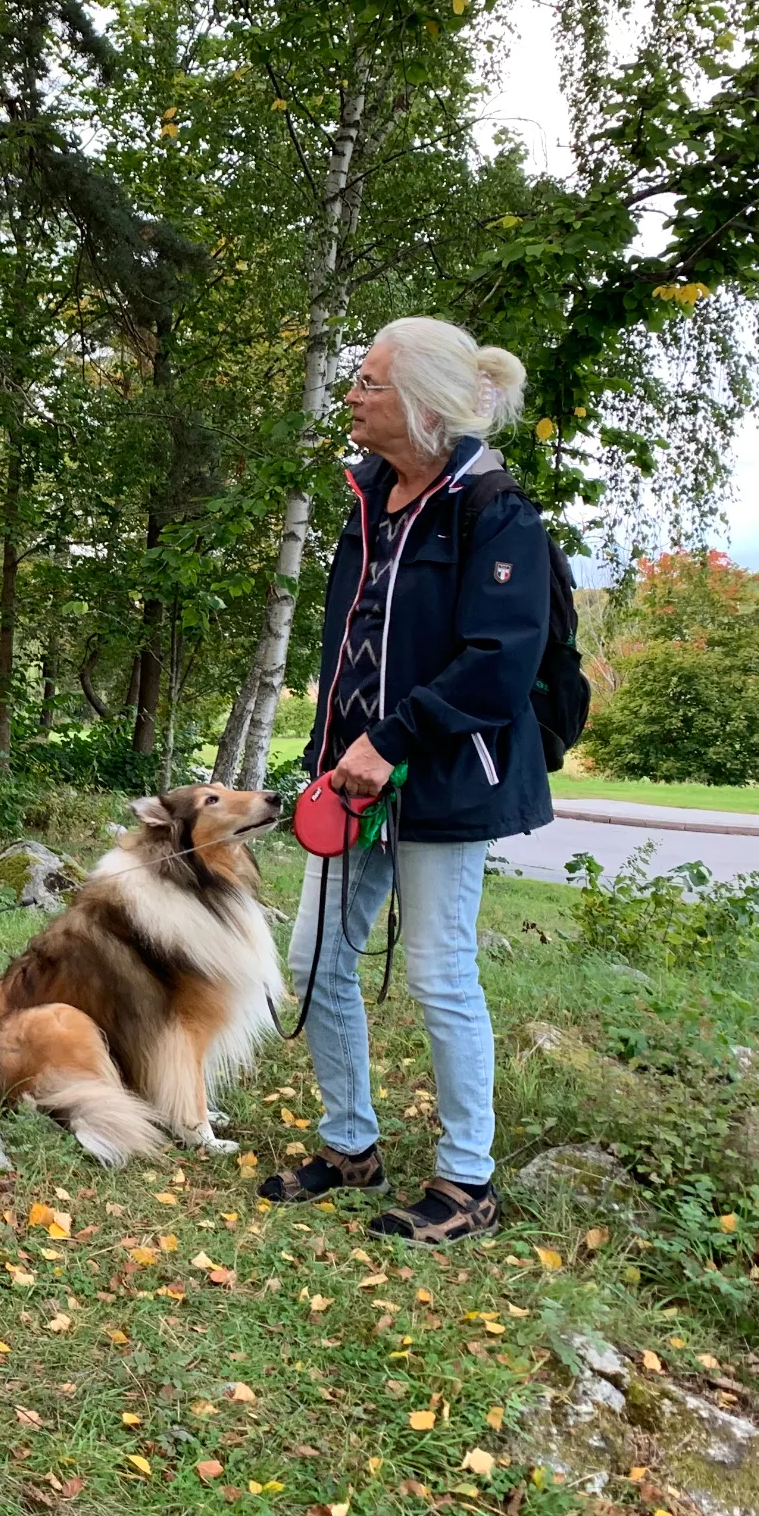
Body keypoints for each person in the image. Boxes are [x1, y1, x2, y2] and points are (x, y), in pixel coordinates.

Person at [257, 318, 553, 1244]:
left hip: (443, 778)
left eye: (372, 382)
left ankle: (469, 1183)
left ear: (422, 405)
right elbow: (354, 643)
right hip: (352, 779)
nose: (354, 393)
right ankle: (352, 1145)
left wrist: (391, 741)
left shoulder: (495, 512)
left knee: (438, 973)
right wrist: (336, 754)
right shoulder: (366, 497)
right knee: (314, 959)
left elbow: (498, 663)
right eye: (355, 379)